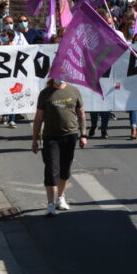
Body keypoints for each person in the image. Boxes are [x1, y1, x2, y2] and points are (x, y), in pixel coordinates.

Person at [31, 77, 88, 216]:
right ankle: (50, 204)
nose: (60, 77)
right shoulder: (45, 93)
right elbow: (38, 117)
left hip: (70, 135)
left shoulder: (74, 91)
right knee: (51, 169)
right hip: (51, 137)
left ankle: (61, 198)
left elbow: (81, 113)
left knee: (65, 168)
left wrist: (83, 135)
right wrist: (35, 139)